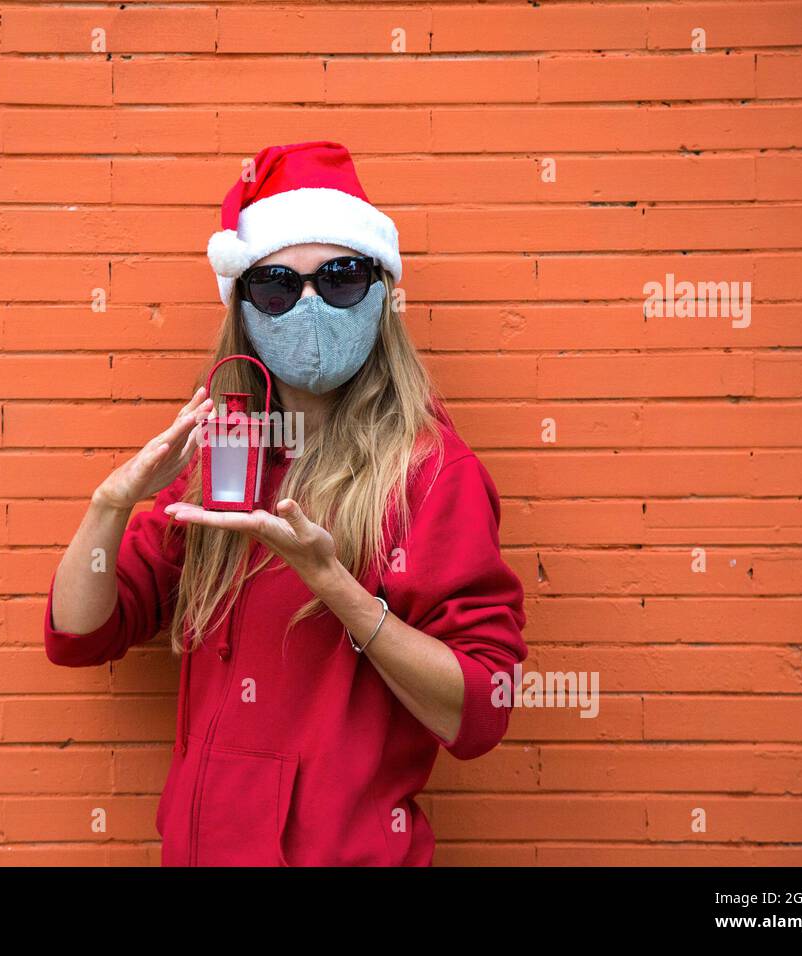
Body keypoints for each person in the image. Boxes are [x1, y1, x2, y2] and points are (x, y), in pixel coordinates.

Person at [44, 141, 528, 866]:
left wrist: (333, 584)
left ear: (381, 294)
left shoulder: (431, 474)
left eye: (340, 278)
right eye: (275, 285)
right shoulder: (223, 466)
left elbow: (479, 712)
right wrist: (112, 503)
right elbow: (78, 637)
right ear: (244, 308)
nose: (306, 306)